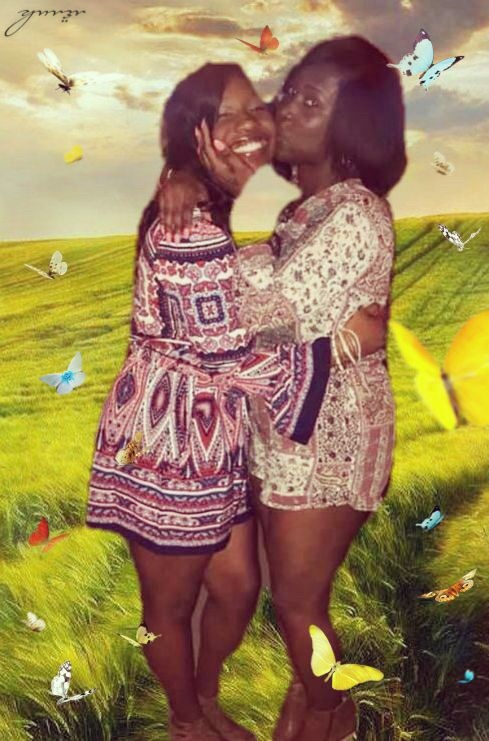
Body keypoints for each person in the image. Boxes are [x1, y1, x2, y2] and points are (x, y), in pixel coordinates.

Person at [158, 35, 405, 741]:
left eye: (308, 101)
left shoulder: (354, 213)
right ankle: (305, 690)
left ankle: (331, 711)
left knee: (297, 603)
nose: (282, 109)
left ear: (352, 126)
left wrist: (205, 223)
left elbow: (259, 309)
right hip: (288, 430)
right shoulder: (307, 213)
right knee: (294, 595)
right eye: (289, 91)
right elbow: (251, 304)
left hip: (329, 444)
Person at [86, 61, 339, 741]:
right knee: (167, 606)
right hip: (168, 444)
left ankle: (199, 697)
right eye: (226, 114)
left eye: (254, 107)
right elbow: (225, 353)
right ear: (194, 133)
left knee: (235, 586)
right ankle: (187, 721)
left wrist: (186, 174)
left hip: (206, 436)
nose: (250, 122)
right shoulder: (190, 224)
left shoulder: (196, 201)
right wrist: (328, 359)